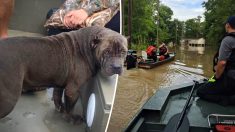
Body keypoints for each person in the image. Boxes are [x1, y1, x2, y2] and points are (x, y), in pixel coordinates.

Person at [197, 16, 235, 106]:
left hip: (231, 80)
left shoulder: (228, 40)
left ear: (228, 25)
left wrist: (217, 77)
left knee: (201, 92)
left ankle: (228, 100)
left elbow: (222, 63)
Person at [46, 0, 120, 35]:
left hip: (105, 16)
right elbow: (71, 2)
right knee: (52, 14)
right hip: (80, 13)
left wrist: (86, 11)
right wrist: (69, 14)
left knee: (117, 23)